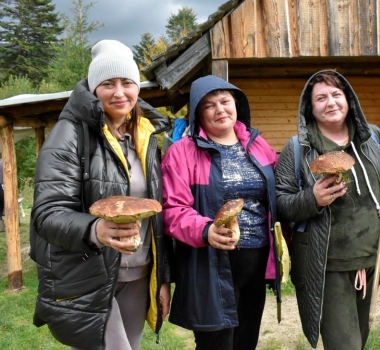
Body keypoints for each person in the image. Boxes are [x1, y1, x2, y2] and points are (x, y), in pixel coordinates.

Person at [29, 39, 173, 350]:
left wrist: (161, 277)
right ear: (94, 88)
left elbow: (156, 215)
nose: (119, 93)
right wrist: (95, 229)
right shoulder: (69, 134)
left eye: (127, 83)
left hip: (139, 272)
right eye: (108, 83)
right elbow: (47, 214)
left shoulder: (147, 135)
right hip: (88, 274)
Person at [275, 70, 380, 349]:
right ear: (310, 107)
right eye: (321, 98)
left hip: (375, 255)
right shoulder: (297, 149)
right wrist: (313, 199)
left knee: (361, 335)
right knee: (344, 344)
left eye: (336, 95)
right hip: (327, 265)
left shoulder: (373, 138)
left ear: (349, 99)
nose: (330, 102)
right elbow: (281, 204)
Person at [161, 75, 280, 350]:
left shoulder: (258, 145)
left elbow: (277, 198)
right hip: (210, 264)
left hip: (256, 262)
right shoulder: (182, 153)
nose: (220, 109)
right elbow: (172, 209)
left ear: (236, 103)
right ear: (197, 114)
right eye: (209, 105)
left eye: (225, 101)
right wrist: (205, 229)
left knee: (245, 341)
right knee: (216, 344)